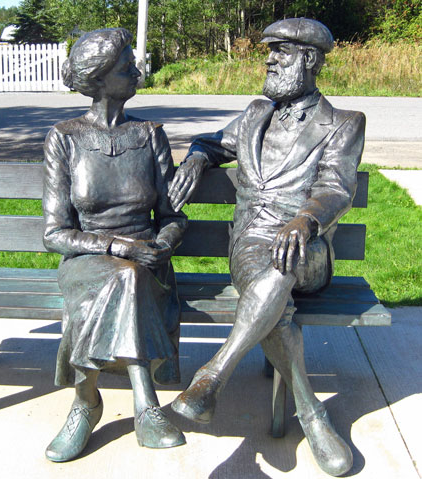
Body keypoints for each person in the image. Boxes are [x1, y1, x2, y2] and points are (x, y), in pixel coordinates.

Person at [168, 18, 365, 477]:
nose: (270, 60)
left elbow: (336, 186)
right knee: (274, 292)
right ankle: (312, 414)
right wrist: (196, 158)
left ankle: (213, 375)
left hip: (307, 246)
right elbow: (212, 143)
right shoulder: (255, 113)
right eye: (269, 52)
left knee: (280, 270)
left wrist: (305, 219)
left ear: (310, 60)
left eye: (281, 52)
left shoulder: (343, 123)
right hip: (251, 243)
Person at [42, 28, 188, 462]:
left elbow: (172, 217)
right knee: (124, 277)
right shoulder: (65, 138)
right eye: (127, 66)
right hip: (87, 260)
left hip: (148, 263)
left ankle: (86, 403)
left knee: (130, 278)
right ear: (100, 78)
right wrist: (118, 248)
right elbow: (55, 234)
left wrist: (163, 245)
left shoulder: (149, 134)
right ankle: (145, 407)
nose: (137, 71)